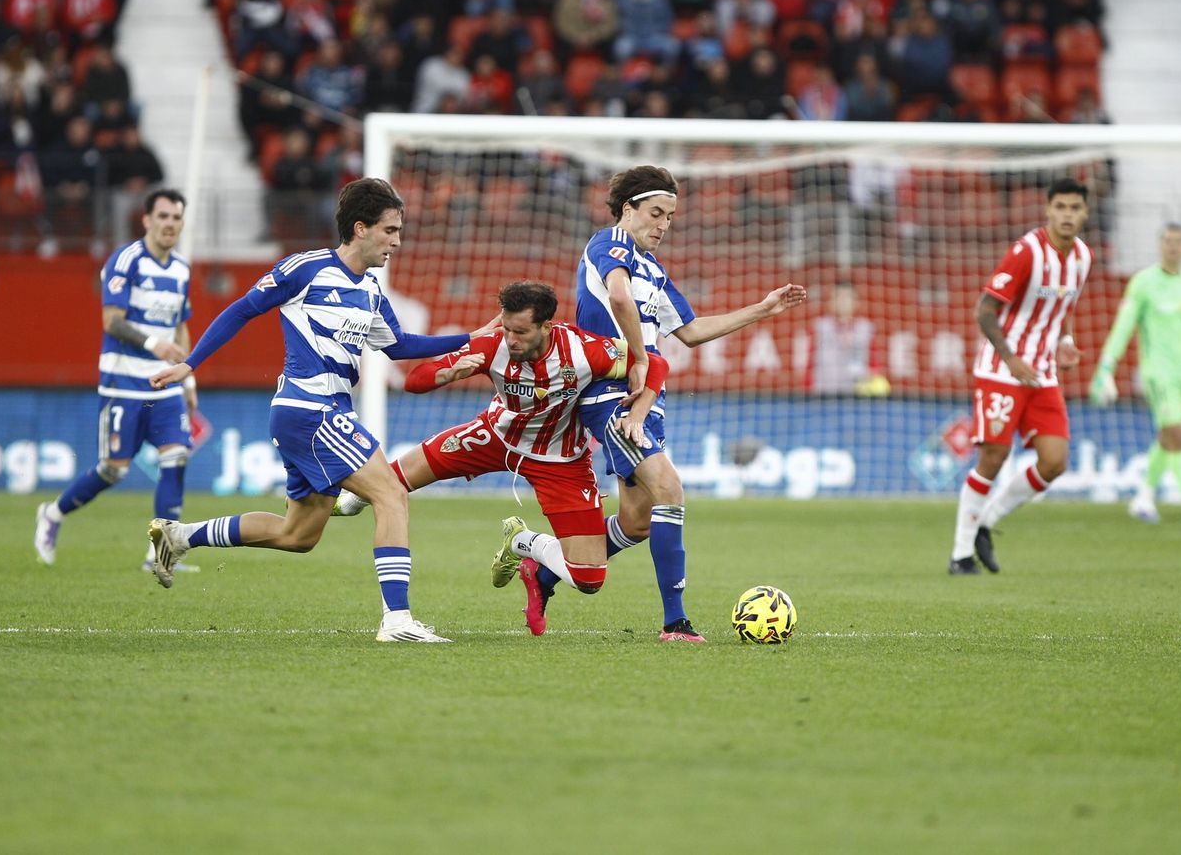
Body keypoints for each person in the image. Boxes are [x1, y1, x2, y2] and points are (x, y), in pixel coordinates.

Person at [146, 179, 484, 643]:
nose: (397, 241)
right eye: (390, 230)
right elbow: (242, 311)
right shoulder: (306, 269)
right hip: (310, 409)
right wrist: (189, 363)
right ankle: (398, 621)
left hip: (320, 413)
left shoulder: (369, 291)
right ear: (360, 228)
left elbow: (402, 346)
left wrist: (474, 338)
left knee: (297, 535)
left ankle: (179, 537)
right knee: (391, 494)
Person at [337, 281, 668, 635]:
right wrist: (448, 373)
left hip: (560, 460)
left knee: (588, 578)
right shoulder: (492, 344)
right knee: (389, 483)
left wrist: (638, 414)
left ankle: (524, 543)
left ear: (547, 326)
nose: (511, 339)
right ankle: (345, 498)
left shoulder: (584, 350)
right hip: (494, 437)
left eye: (521, 332)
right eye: (507, 328)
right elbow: (415, 379)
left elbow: (655, 365)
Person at [563, 166, 808, 640]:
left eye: (670, 217)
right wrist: (638, 356)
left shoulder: (654, 271)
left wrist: (763, 308)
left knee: (635, 522)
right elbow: (617, 298)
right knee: (671, 492)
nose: (662, 224)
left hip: (647, 398)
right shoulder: (607, 243)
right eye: (655, 213)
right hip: (611, 395)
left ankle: (545, 569)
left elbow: (691, 332)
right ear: (628, 208)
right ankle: (676, 621)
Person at [35, 190, 197, 573]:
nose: (170, 223)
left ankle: (160, 555)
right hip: (123, 382)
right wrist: (153, 343)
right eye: (163, 216)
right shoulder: (125, 260)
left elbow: (181, 326)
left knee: (175, 458)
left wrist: (187, 378)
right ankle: (53, 513)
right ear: (147, 220)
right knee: (114, 469)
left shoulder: (181, 270)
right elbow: (112, 320)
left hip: (164, 384)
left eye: (176, 217)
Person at [949, 178, 1093, 576]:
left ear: (1085, 213)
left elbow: (1062, 310)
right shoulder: (1026, 252)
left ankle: (986, 524)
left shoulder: (1082, 257)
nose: (1067, 215)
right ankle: (960, 554)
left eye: (1074, 208)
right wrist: (1010, 357)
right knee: (994, 456)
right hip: (1001, 371)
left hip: (1043, 373)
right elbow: (984, 310)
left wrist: (1065, 340)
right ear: (1048, 210)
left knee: (1055, 461)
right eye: (1060, 207)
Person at [1089, 224, 1181, 524]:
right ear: (1160, 246)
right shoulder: (1143, 283)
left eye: (1178, 242)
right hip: (1158, 374)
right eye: (1168, 241)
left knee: (1168, 437)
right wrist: (1107, 366)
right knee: (1178, 434)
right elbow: (1123, 327)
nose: (1173, 247)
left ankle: (1143, 498)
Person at [808, 282, 887, 395]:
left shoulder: (865, 328)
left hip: (856, 396)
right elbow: (809, 365)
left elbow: (874, 364)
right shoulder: (820, 327)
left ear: (856, 302)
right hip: (823, 395)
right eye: (838, 296)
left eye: (847, 297)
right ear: (831, 301)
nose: (842, 301)